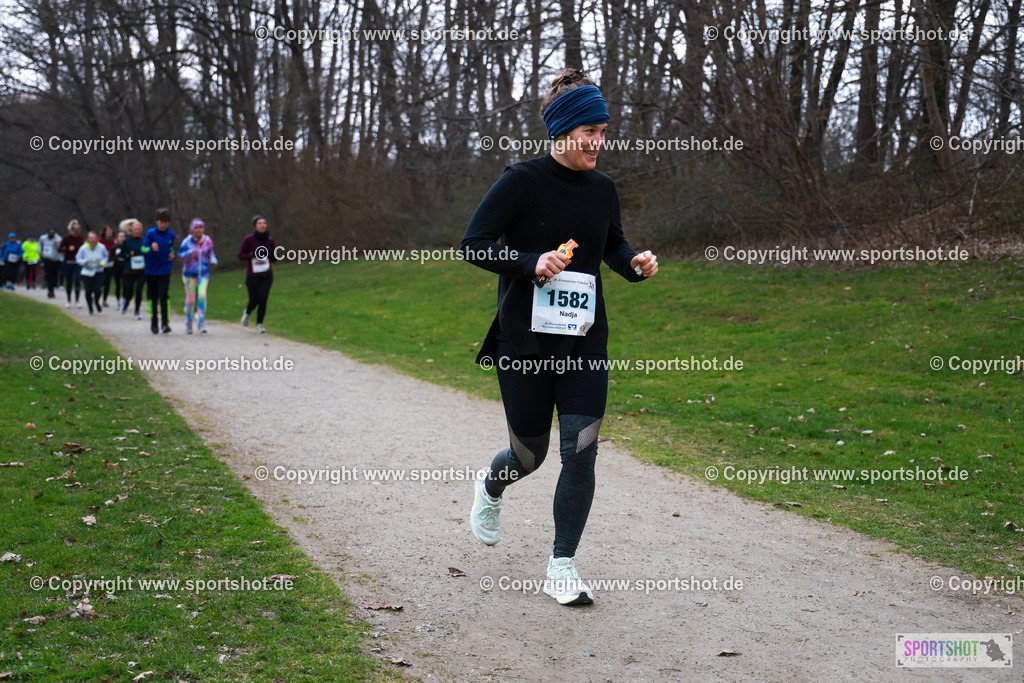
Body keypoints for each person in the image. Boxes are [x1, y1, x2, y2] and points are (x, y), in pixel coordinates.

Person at [461, 68, 658, 606]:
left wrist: (634, 264)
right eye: (589, 131)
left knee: (582, 452)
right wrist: (528, 262)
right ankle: (491, 486)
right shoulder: (520, 181)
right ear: (562, 133)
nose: (598, 142)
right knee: (530, 456)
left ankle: (562, 565)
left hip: (583, 344)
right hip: (523, 344)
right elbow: (474, 244)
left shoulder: (603, 189)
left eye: (603, 131)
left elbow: (611, 248)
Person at [178, 219, 218, 334]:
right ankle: (189, 322)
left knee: (202, 296)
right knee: (191, 299)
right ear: (192, 229)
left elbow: (211, 253)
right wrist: (189, 253)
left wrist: (213, 260)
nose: (199, 229)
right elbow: (180, 256)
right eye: (196, 227)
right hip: (189, 274)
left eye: (201, 227)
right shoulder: (186, 242)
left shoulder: (207, 241)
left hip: (204, 273)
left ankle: (201, 323)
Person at [238, 215, 276, 334]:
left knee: (263, 299)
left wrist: (271, 254)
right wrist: (251, 255)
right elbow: (240, 255)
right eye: (259, 223)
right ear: (255, 226)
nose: (262, 225)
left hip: (267, 275)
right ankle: (247, 313)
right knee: (254, 300)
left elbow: (275, 258)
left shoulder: (270, 240)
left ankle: (260, 324)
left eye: (264, 223)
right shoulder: (249, 239)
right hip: (253, 275)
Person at [143, 208, 176, 334]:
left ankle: (165, 323)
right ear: (157, 221)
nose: (163, 225)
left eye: (166, 222)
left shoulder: (171, 235)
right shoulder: (150, 234)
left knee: (163, 295)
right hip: (151, 270)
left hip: (165, 270)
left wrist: (172, 254)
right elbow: (143, 249)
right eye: (161, 222)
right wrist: (150, 248)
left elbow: (171, 248)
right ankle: (154, 322)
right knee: (153, 297)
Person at [75, 231, 109, 315]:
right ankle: (90, 309)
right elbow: (78, 258)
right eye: (91, 238)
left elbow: (106, 256)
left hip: (98, 271)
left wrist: (103, 263)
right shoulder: (83, 248)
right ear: (88, 239)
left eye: (94, 238)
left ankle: (96, 302)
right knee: (88, 290)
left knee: (98, 289)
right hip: (87, 272)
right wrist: (84, 261)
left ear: (97, 239)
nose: (92, 240)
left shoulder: (101, 247)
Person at [119, 219, 146, 318]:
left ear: (141, 230)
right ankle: (126, 303)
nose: (137, 231)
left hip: (141, 270)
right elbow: (122, 254)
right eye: (135, 229)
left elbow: (147, 252)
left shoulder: (144, 241)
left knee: (139, 290)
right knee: (130, 290)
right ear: (132, 230)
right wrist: (128, 255)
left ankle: (137, 311)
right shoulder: (126, 241)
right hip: (130, 269)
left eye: (139, 229)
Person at [58, 220, 84, 308]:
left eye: (77, 232)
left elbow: (82, 249)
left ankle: (77, 300)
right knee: (69, 282)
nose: (76, 234)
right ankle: (68, 300)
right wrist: (68, 249)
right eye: (74, 232)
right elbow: (60, 249)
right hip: (67, 262)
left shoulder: (80, 239)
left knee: (77, 281)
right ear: (71, 231)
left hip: (77, 263)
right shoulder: (66, 238)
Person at [39, 227, 62, 298]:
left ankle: (54, 286)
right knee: (49, 275)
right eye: (50, 232)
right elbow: (39, 244)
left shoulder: (58, 239)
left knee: (54, 275)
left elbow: (61, 248)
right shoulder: (43, 238)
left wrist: (56, 244)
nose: (51, 233)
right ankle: (50, 291)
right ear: (48, 232)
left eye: (53, 232)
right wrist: (40, 251)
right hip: (47, 258)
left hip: (56, 259)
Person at [98, 224, 116, 308]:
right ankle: (97, 297)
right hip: (101, 265)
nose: (110, 232)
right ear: (104, 232)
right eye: (108, 231)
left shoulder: (114, 242)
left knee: (107, 283)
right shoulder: (100, 241)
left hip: (110, 265)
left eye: (111, 231)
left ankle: (104, 300)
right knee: (100, 282)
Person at [109, 229, 127, 310]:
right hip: (116, 267)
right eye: (120, 236)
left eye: (123, 237)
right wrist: (116, 257)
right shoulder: (114, 247)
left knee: (124, 284)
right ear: (117, 238)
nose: (122, 238)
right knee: (118, 285)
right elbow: (110, 257)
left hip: (125, 267)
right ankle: (118, 301)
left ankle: (124, 299)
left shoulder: (127, 247)